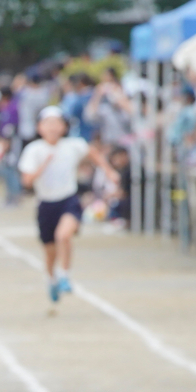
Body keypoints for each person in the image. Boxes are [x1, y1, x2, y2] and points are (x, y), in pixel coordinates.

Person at [18, 106, 120, 304]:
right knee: (49, 251)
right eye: (48, 124)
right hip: (46, 203)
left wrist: (109, 171)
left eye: (57, 124)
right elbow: (27, 182)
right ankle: (51, 279)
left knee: (63, 235)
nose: (53, 128)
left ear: (64, 127)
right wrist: (42, 166)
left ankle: (64, 274)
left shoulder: (73, 145)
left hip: (68, 199)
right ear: (40, 127)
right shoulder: (34, 150)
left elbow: (93, 153)